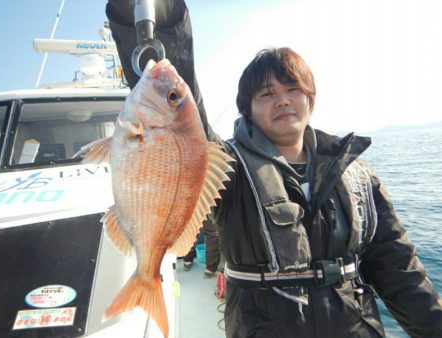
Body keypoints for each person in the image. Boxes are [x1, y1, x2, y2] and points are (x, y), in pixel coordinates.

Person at [106, 1, 442, 337]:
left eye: (293, 89)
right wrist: (159, 18)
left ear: (310, 98)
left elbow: (401, 272)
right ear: (248, 110)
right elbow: (182, 122)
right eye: (266, 93)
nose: (282, 99)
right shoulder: (230, 170)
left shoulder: (359, 176)